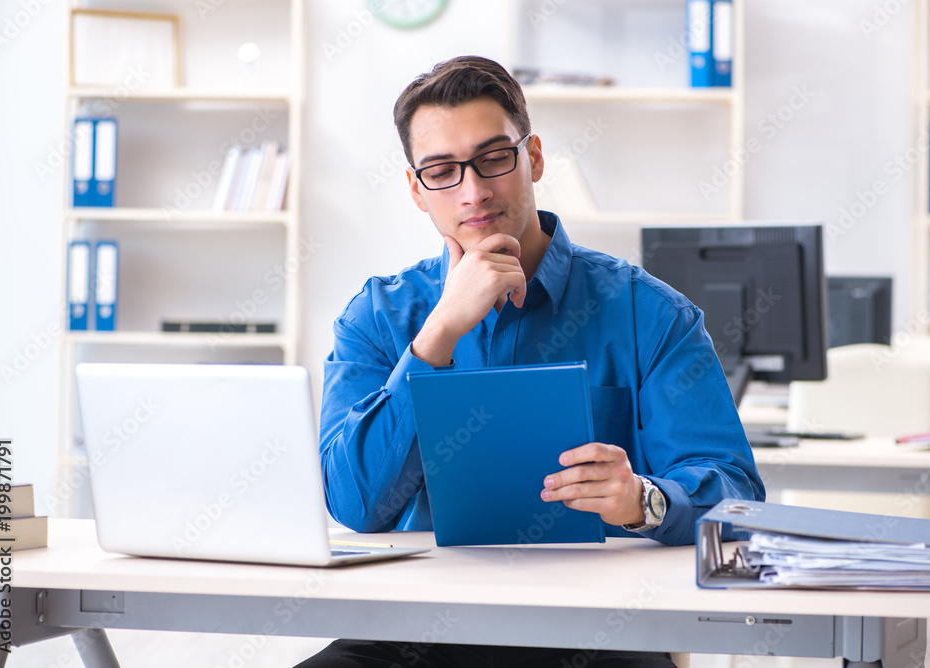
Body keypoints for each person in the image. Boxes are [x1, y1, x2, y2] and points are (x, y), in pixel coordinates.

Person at [297, 55, 764, 668]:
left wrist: (641, 499)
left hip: (597, 635)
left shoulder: (648, 312)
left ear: (533, 158)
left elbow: (738, 500)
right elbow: (354, 505)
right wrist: (437, 335)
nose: (474, 190)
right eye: (442, 170)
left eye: (494, 158)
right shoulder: (380, 317)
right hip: (413, 631)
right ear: (417, 189)